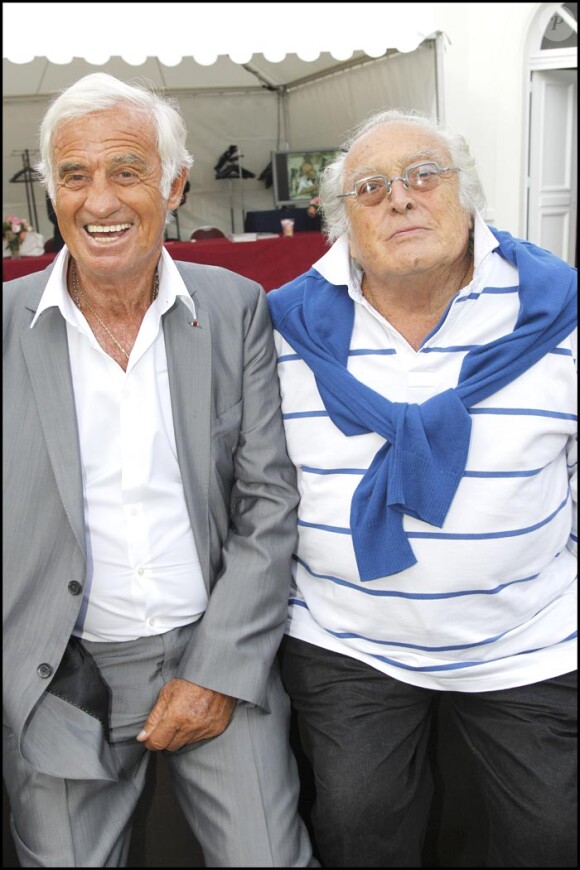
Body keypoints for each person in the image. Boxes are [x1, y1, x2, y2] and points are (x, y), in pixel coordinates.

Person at [2, 72, 316, 868]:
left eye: (126, 172)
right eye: (74, 176)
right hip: (57, 675)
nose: (99, 201)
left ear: (173, 185)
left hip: (212, 651)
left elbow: (268, 502)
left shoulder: (236, 306)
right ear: (51, 193)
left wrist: (217, 670)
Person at [267, 108, 577, 867]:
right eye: (369, 188)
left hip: (526, 637)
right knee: (356, 824)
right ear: (341, 223)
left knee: (552, 836)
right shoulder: (282, 328)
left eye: (423, 176)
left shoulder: (554, 313)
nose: (399, 199)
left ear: (466, 196)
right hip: (348, 639)